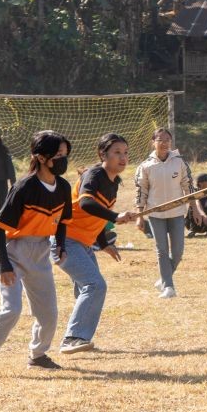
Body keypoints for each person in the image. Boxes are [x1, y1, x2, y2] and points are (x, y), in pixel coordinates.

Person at [0, 131, 73, 377]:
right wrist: (5, 265)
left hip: (39, 251)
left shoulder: (64, 187)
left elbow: (62, 221)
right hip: (11, 251)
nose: (63, 160)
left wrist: (60, 245)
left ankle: (37, 355)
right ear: (41, 156)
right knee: (12, 308)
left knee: (48, 313)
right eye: (58, 155)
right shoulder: (24, 186)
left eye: (65, 155)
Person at [57, 134, 138, 355]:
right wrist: (115, 216)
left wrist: (103, 243)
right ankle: (73, 338)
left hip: (83, 243)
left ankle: (80, 337)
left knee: (86, 289)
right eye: (117, 153)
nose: (123, 157)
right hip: (65, 240)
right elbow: (86, 203)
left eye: (126, 153)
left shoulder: (114, 182)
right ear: (103, 154)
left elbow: (97, 217)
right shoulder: (94, 175)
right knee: (95, 285)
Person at [134, 128, 207, 299]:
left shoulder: (179, 162)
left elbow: (189, 187)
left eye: (167, 139)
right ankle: (169, 287)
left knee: (178, 252)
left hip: (177, 213)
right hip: (156, 214)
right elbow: (141, 191)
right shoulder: (145, 166)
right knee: (161, 250)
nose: (164, 143)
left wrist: (195, 209)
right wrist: (139, 215)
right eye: (160, 140)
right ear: (153, 142)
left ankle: (164, 277)